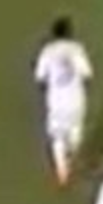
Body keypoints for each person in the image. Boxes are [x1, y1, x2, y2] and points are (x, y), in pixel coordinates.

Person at [32, 16, 93, 187]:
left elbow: (40, 78)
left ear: (54, 34)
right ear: (70, 32)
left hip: (56, 101)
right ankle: (71, 156)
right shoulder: (77, 49)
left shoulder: (47, 51)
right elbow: (87, 74)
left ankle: (62, 171)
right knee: (75, 134)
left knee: (57, 136)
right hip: (76, 99)